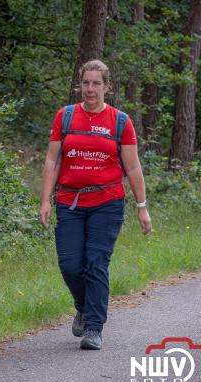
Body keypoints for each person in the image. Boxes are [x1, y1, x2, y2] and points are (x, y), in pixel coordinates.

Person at [39, 59, 151, 350]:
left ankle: (93, 327)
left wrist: (142, 206)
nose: (90, 89)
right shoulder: (64, 117)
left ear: (107, 87)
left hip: (107, 202)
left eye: (96, 83)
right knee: (70, 264)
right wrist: (45, 200)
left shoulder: (120, 121)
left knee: (95, 263)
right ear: (80, 84)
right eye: (86, 83)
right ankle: (84, 306)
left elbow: (134, 167)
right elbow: (52, 160)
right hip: (70, 202)